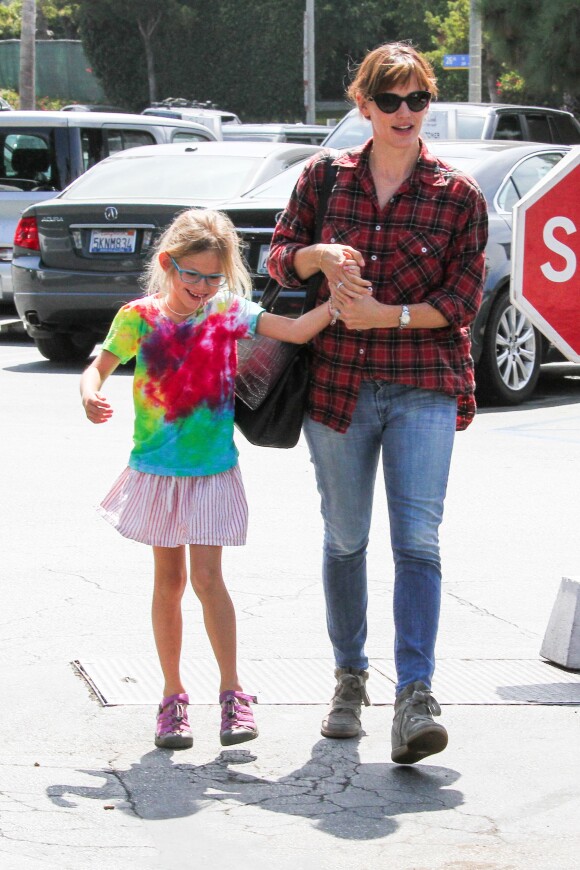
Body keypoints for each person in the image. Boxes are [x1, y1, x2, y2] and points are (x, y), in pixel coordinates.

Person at [268, 42, 488, 764]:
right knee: (346, 538)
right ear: (361, 104)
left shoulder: (458, 194)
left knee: (418, 542)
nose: (404, 112)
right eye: (388, 99)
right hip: (337, 389)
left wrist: (386, 316)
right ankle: (349, 680)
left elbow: (460, 301)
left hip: (423, 384)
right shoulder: (324, 178)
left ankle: (416, 693)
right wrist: (320, 257)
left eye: (417, 98)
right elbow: (277, 255)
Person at [80, 208, 336, 751]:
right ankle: (172, 698)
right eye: (191, 274)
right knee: (168, 584)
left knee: (209, 582)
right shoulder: (139, 317)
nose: (201, 287)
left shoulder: (226, 312)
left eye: (212, 277)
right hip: (156, 471)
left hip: (212, 472)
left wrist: (337, 304)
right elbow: (99, 365)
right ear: (168, 264)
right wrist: (89, 392)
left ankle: (232, 693)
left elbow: (291, 330)